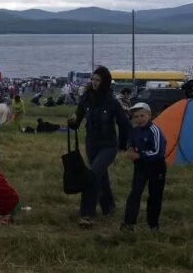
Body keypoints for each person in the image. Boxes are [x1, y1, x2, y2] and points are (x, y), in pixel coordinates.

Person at [68, 66, 131, 228]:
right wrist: (72, 121)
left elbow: (124, 124)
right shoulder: (86, 98)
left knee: (93, 176)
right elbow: (77, 121)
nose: (94, 83)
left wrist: (127, 145)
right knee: (101, 176)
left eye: (98, 80)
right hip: (91, 145)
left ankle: (86, 214)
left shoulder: (112, 102)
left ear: (105, 82)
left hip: (108, 146)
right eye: (93, 79)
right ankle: (108, 207)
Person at [121, 103, 167, 231]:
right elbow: (132, 144)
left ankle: (153, 225)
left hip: (156, 166)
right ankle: (129, 223)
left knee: (155, 195)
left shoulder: (155, 130)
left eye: (142, 115)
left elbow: (158, 151)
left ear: (149, 116)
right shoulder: (134, 131)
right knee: (135, 192)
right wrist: (130, 150)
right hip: (141, 166)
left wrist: (139, 155)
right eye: (136, 116)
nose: (139, 119)